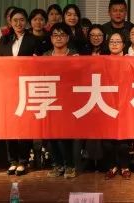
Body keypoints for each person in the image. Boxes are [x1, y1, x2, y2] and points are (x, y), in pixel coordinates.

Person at [0, 7, 39, 176]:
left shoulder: (32, 39)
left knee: (24, 124)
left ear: (26, 22)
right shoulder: (5, 39)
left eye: (22, 20)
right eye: (15, 20)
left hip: (26, 85)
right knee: (10, 124)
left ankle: (23, 160)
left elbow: (39, 61)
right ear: (10, 22)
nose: (18, 23)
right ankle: (12, 160)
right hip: (8, 86)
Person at [43, 23, 79, 179]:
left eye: (62, 35)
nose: (59, 38)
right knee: (50, 136)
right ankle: (57, 165)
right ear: (51, 38)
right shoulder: (45, 56)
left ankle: (70, 165)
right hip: (49, 100)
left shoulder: (74, 56)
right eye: (55, 35)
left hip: (68, 101)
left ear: (68, 38)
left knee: (65, 136)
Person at [103, 32, 132, 179]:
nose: (114, 44)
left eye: (118, 41)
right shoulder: (102, 61)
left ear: (123, 45)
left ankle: (125, 166)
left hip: (124, 104)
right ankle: (112, 166)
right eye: (112, 42)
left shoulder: (130, 60)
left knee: (123, 140)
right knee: (107, 140)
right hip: (106, 103)